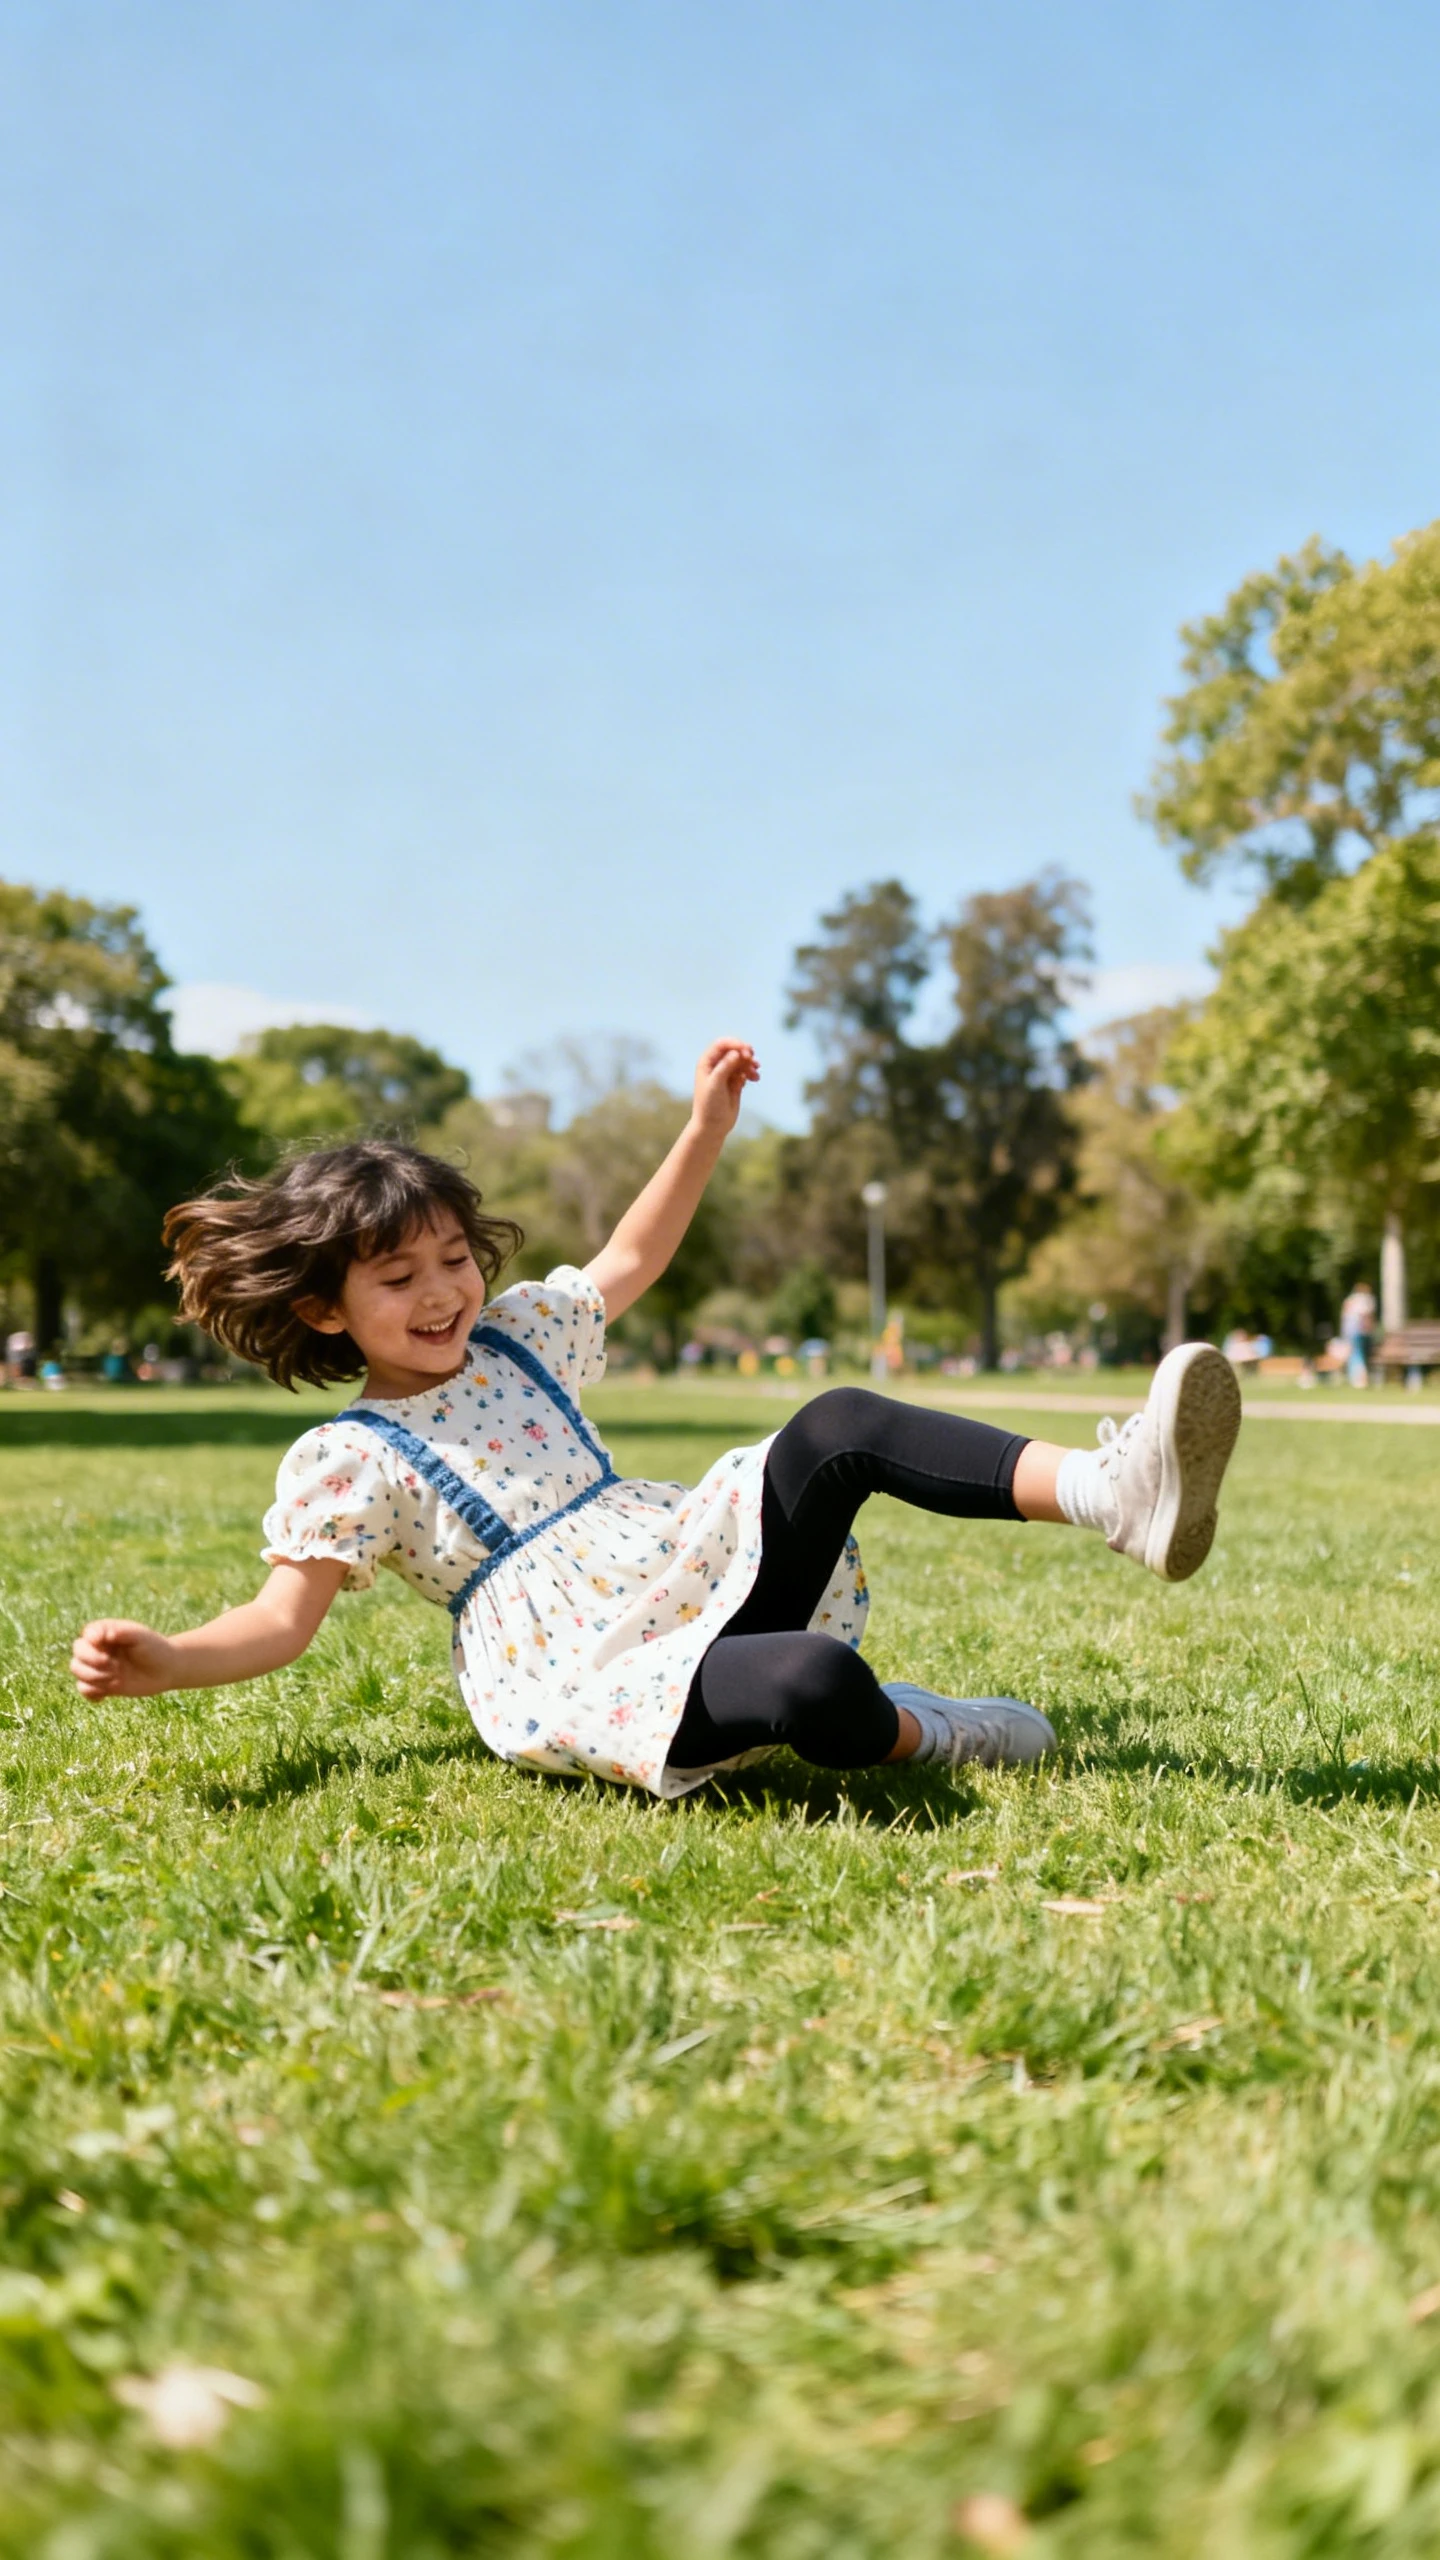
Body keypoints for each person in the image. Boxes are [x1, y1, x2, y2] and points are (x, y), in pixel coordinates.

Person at [70, 1041, 1243, 1792]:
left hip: (691, 1565)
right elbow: (279, 1621)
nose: (441, 1291)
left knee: (836, 1421)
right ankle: (935, 1731)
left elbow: (629, 1254)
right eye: (397, 1278)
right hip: (592, 1671)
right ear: (326, 1309)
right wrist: (169, 1660)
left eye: (451, 1257)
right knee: (817, 1692)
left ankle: (1117, 1496)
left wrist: (703, 1132)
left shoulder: (521, 1336)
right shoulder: (346, 1458)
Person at [1339, 1280, 1377, 1388]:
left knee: (1356, 1354)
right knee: (1359, 1355)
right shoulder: (1366, 1300)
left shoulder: (1351, 1300)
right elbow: (1367, 1316)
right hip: (1361, 1331)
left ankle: (1357, 1379)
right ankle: (1361, 1379)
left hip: (1352, 1332)